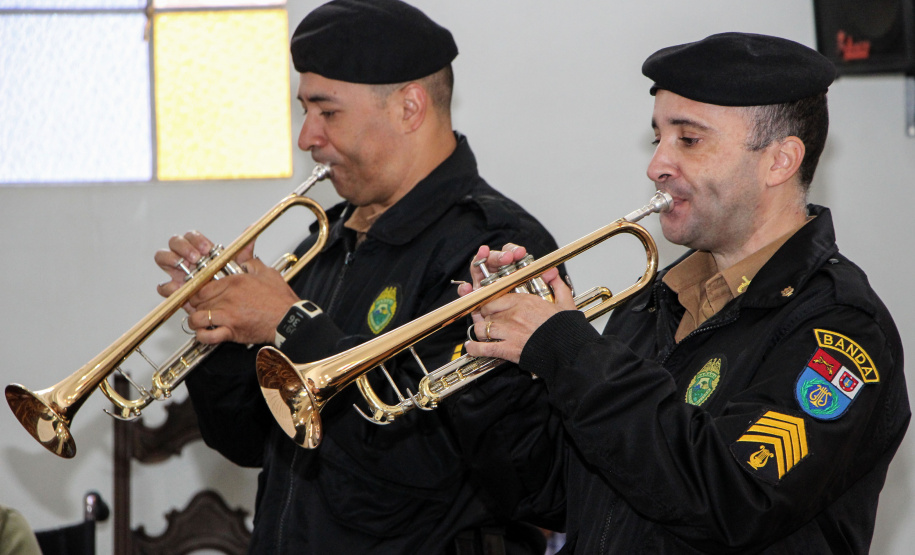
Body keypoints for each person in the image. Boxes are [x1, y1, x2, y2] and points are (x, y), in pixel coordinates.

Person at [454, 32, 910, 553]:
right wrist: (504, 363)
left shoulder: (838, 329)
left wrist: (571, 354)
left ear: (779, 162)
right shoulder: (654, 299)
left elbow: (734, 498)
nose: (656, 166)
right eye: (658, 139)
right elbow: (552, 494)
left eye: (688, 140)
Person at [154, 0, 563, 553]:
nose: (306, 138)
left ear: (409, 108)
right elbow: (250, 441)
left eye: (327, 112)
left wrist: (291, 324)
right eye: (305, 110)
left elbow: (437, 457)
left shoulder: (494, 248)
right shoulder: (326, 243)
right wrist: (224, 328)